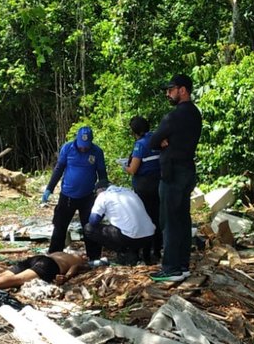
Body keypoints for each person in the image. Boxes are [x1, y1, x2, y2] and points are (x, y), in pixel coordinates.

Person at [148, 74, 202, 283]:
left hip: (172, 173)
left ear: (183, 90)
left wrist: (162, 141)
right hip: (187, 169)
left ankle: (171, 267)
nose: (167, 94)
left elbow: (153, 140)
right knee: (182, 219)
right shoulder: (195, 114)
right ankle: (182, 265)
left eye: (171, 89)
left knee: (169, 221)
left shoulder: (175, 115)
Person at [42, 125, 108, 260]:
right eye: (81, 145)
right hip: (67, 196)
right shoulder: (67, 148)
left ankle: (94, 257)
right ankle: (54, 256)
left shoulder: (97, 152)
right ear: (77, 140)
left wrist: (103, 190)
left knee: (90, 227)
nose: (83, 148)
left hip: (88, 196)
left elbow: (102, 173)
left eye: (86, 145)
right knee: (60, 226)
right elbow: (59, 169)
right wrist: (49, 188)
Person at [123, 115, 163, 264]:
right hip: (158, 183)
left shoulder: (140, 144)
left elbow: (133, 169)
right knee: (157, 217)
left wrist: (124, 167)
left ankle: (147, 254)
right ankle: (157, 249)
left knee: (145, 218)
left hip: (144, 186)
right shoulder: (157, 139)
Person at [82, 186, 156, 265]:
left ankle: (124, 253)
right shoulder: (130, 192)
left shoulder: (103, 195)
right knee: (127, 227)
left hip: (130, 237)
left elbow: (93, 221)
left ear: (99, 190)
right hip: (149, 236)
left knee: (88, 228)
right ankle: (138, 255)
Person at [0, 251, 89, 295]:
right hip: (49, 265)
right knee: (18, 280)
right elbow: (74, 268)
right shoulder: (79, 260)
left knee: (2, 275)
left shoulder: (62, 253)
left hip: (37, 258)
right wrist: (67, 276)